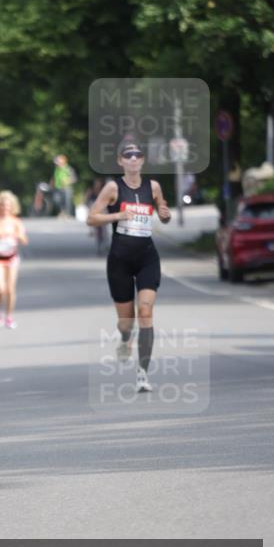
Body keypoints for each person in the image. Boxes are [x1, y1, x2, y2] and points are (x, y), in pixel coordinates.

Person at [86, 141, 171, 394]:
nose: (133, 158)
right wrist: (118, 215)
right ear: (120, 161)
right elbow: (91, 218)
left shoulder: (153, 186)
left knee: (145, 312)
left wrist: (165, 214)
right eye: (128, 155)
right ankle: (125, 338)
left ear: (143, 160)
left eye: (137, 155)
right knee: (126, 322)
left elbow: (163, 213)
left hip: (147, 257)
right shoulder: (113, 187)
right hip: (120, 260)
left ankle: (143, 373)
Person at [0, 191, 28, 328]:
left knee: (10, 289)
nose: (5, 208)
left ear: (12, 207)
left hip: (12, 258)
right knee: (0, 288)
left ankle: (9, 316)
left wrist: (16, 235)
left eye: (8, 206)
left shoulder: (15, 222)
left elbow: (24, 240)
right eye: (2, 205)